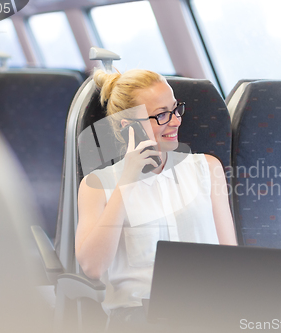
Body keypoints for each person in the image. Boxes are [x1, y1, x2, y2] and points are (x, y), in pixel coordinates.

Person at [75, 68, 237, 326]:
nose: (175, 121)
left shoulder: (207, 168)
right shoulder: (97, 185)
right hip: (139, 319)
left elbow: (231, 260)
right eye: (161, 115)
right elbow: (93, 267)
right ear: (130, 126)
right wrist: (127, 179)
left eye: (175, 109)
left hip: (207, 312)